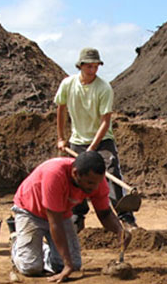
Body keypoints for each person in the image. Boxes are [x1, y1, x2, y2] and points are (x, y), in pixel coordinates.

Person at [11, 151, 131, 283]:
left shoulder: (97, 181)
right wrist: (68, 265)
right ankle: (18, 243)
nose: (95, 187)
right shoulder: (54, 175)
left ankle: (40, 250)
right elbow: (55, 224)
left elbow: (104, 213)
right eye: (90, 183)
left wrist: (119, 230)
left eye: (98, 182)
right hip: (30, 211)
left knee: (72, 264)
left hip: (60, 213)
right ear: (75, 173)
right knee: (31, 267)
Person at [55, 47, 137, 232]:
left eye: (96, 66)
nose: (93, 70)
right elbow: (60, 109)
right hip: (77, 140)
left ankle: (126, 218)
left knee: (112, 172)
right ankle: (77, 217)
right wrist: (61, 138)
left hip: (102, 140)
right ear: (81, 66)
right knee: (76, 176)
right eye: (89, 66)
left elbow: (105, 121)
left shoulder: (104, 88)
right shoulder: (68, 84)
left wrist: (92, 148)